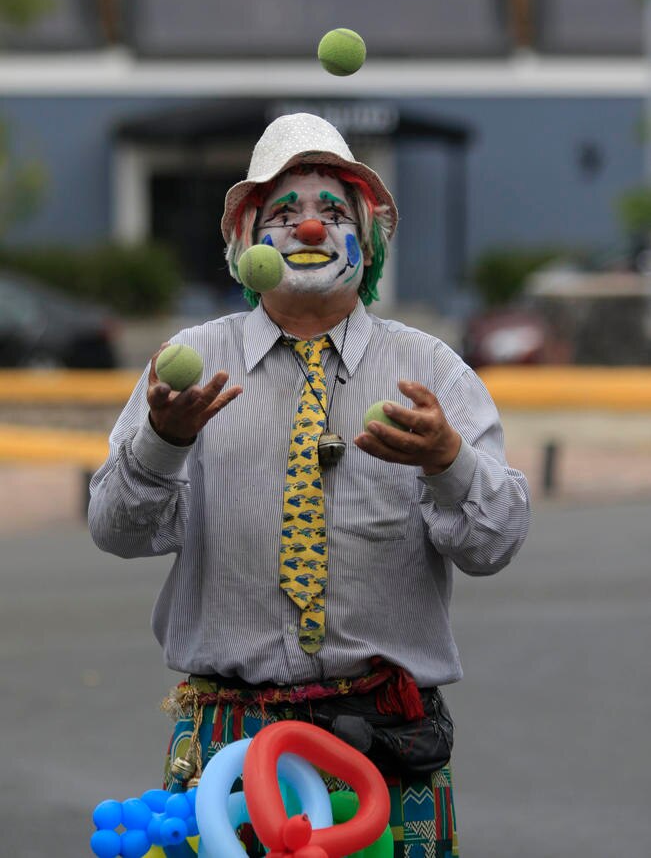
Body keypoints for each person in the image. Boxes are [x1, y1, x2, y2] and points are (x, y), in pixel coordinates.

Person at [88, 112, 530, 857]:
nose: (310, 228)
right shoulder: (188, 363)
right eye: (283, 212)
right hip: (227, 738)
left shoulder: (431, 371)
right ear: (244, 245)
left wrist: (447, 460)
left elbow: (496, 542)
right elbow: (114, 528)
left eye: (334, 211)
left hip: (385, 741)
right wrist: (163, 442)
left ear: (372, 240)